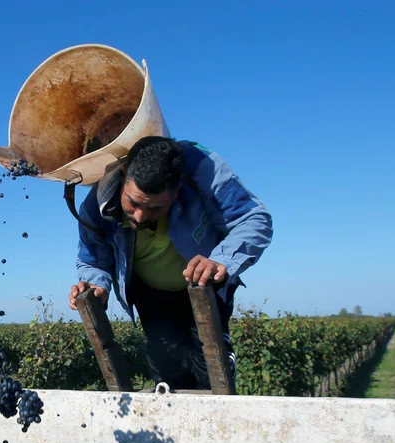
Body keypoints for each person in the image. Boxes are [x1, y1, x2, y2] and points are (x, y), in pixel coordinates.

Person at [67, 136, 273, 391]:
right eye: (133, 202)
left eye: (155, 208)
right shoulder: (96, 207)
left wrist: (220, 261)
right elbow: (92, 260)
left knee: (212, 370)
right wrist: (96, 285)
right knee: (167, 372)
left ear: (175, 193)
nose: (139, 216)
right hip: (151, 295)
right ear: (123, 176)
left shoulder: (202, 169)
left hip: (206, 288)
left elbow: (253, 219)